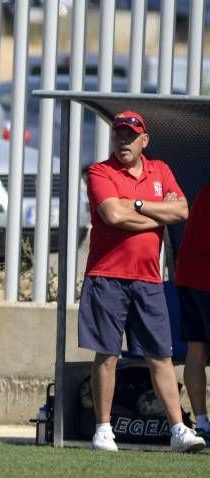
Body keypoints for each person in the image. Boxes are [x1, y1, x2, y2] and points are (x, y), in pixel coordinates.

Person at [79, 110, 204, 453]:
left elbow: (182, 212)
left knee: (160, 355)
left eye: (131, 136)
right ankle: (103, 429)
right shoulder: (100, 171)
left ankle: (178, 430)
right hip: (106, 277)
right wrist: (154, 213)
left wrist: (134, 204)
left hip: (148, 279)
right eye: (118, 135)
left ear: (144, 140)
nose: (123, 141)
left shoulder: (160, 170)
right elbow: (112, 215)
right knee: (106, 354)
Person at [175, 181, 210, 441]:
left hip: (189, 276)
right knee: (197, 350)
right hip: (201, 278)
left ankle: (202, 423)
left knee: (196, 350)